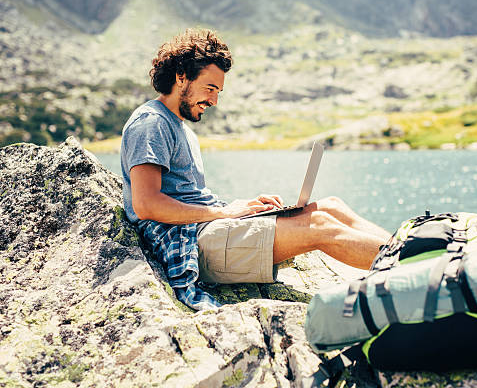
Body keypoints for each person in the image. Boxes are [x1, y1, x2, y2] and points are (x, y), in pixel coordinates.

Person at [121, 28, 391, 310]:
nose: (214, 101)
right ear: (181, 77)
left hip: (207, 229)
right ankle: (409, 265)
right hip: (188, 244)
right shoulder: (151, 123)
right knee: (320, 226)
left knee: (330, 207)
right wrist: (223, 213)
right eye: (210, 88)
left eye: (218, 91)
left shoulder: (180, 128)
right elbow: (146, 205)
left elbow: (189, 197)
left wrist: (240, 207)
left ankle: (416, 247)